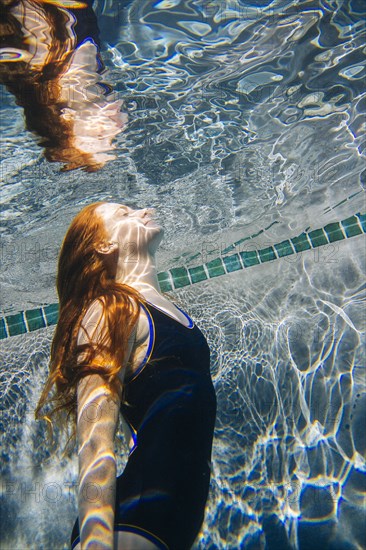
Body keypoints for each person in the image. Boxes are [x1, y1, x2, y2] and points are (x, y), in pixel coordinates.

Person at [36, 202, 217, 549]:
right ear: (104, 245)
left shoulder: (167, 309)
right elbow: (95, 444)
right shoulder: (109, 309)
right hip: (129, 527)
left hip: (164, 527)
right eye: (124, 213)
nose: (143, 210)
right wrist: (96, 542)